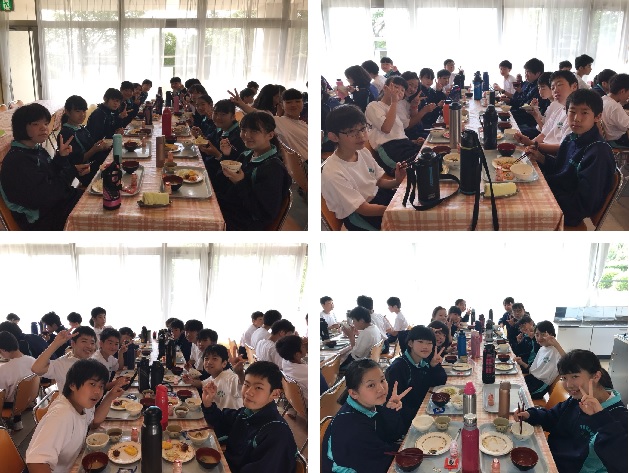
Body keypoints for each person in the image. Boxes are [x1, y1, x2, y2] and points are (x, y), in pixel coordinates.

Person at [514, 349, 626, 473]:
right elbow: (552, 416)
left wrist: (601, 418)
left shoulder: (620, 417)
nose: (568, 385)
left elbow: (621, 464)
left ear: (596, 376)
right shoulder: (576, 399)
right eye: (564, 378)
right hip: (548, 458)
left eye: (575, 376)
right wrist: (530, 414)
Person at [529, 89, 615, 226]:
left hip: (565, 212)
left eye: (584, 113)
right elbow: (561, 168)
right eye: (572, 111)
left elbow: (584, 204)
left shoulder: (598, 152)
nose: (576, 118)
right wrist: (540, 157)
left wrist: (545, 197)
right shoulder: (571, 138)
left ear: (597, 117)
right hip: (555, 194)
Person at [26, 359, 125, 473]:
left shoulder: (82, 404)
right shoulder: (61, 415)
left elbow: (94, 423)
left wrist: (111, 395)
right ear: (72, 385)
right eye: (92, 384)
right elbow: (36, 463)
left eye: (101, 386)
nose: (98, 391)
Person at [201, 361, 296, 473]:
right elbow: (221, 420)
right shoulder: (248, 412)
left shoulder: (277, 434)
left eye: (258, 388)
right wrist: (208, 403)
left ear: (275, 394)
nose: (248, 392)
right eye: (246, 384)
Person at [0, 103, 83, 230]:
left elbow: (49, 173)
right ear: (21, 127)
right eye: (36, 124)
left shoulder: (35, 149)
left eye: (45, 123)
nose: (44, 128)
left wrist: (61, 157)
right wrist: (71, 172)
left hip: (55, 206)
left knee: (100, 200)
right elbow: (48, 195)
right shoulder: (18, 161)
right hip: (43, 220)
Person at [322, 103, 404, 230]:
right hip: (360, 215)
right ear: (333, 137)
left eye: (362, 129)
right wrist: (396, 210)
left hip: (378, 198)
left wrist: (397, 181)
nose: (361, 136)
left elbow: (378, 181)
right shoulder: (333, 173)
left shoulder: (362, 151)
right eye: (351, 132)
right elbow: (363, 209)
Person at [321, 359, 408, 473]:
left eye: (382, 380)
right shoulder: (352, 427)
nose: (381, 389)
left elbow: (393, 435)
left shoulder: (370, 404)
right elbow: (383, 462)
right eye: (371, 385)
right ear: (353, 393)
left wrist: (390, 411)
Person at [385, 325, 447, 429]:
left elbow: (440, 382)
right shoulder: (399, 367)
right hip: (410, 421)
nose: (425, 346)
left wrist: (434, 366)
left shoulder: (424, 360)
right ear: (410, 343)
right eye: (420, 342)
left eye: (429, 343)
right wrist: (420, 418)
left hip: (424, 408)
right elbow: (395, 404)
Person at [516, 70, 578, 156]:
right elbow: (543, 134)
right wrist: (526, 146)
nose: (555, 90)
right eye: (552, 88)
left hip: (550, 157)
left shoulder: (576, 117)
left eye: (559, 85)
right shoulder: (558, 110)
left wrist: (531, 144)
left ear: (574, 86)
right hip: (540, 151)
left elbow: (562, 149)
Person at [57, 95, 110, 186]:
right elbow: (76, 162)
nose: (82, 115)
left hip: (94, 163)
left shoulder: (80, 128)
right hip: (84, 171)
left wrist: (99, 146)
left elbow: (90, 146)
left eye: (84, 111)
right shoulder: (66, 134)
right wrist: (94, 149)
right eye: (78, 111)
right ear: (67, 112)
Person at [31, 326, 97, 396]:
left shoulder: (95, 363)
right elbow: (36, 369)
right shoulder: (62, 363)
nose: (89, 346)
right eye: (84, 341)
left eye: (92, 343)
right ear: (73, 344)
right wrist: (56, 343)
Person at [0, 331, 36, 430]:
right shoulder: (32, 360)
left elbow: (2, 393)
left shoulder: (4, 369)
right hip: (26, 400)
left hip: (11, 404)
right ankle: (17, 421)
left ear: (3, 350)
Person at [202, 99, 247, 175]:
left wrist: (217, 155)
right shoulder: (221, 128)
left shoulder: (239, 136)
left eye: (223, 114)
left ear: (233, 117)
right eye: (215, 113)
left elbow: (234, 166)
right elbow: (209, 141)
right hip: (208, 167)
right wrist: (200, 136)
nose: (218, 117)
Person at [508, 58, 549, 138]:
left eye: (528, 72)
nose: (526, 74)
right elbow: (522, 101)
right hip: (527, 118)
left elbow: (525, 108)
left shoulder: (538, 88)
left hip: (529, 122)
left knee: (509, 130)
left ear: (538, 73)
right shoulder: (529, 84)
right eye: (525, 72)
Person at [200, 344, 243, 410]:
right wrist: (191, 381)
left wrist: (240, 373)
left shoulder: (229, 377)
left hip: (231, 416)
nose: (209, 362)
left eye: (214, 359)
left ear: (224, 363)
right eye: (206, 358)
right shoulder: (213, 377)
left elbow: (242, 384)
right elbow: (201, 383)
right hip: (216, 414)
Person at [274, 88, 308, 161]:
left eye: (297, 101)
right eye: (288, 102)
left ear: (303, 103)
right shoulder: (276, 121)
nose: (293, 105)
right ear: (282, 105)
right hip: (295, 165)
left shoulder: (304, 125)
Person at [276, 334, 308, 401]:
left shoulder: (285, 361)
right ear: (297, 354)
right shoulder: (305, 371)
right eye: (303, 346)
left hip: (297, 400)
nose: (305, 347)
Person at [601, 73, 629, 146]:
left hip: (609, 137)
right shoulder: (615, 107)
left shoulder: (603, 99)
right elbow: (627, 126)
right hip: (618, 140)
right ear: (622, 91)